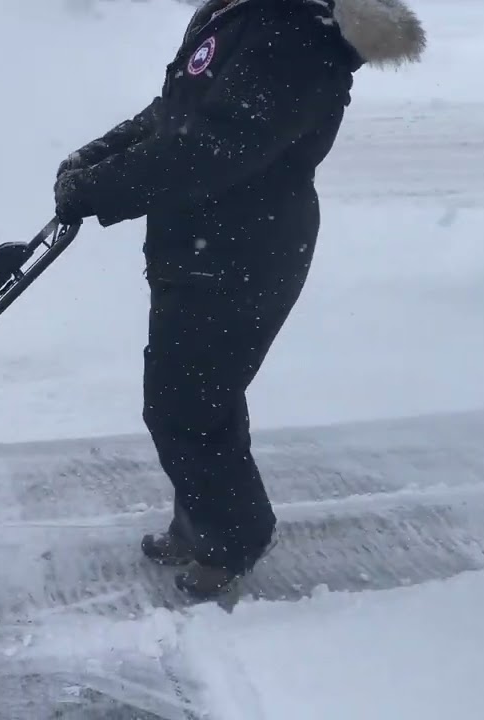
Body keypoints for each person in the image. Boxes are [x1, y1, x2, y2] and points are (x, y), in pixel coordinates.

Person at [53, 0, 425, 601]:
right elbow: (176, 114)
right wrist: (97, 155)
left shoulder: (297, 34)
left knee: (186, 406)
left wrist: (99, 189)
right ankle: (201, 521)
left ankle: (236, 538)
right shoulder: (235, 13)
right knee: (194, 397)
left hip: (246, 250)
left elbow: (212, 146)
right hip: (197, 244)